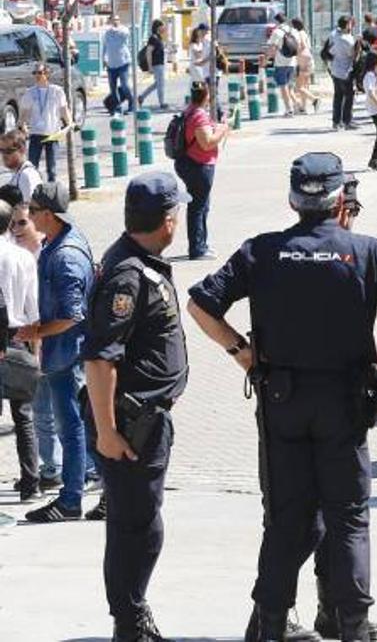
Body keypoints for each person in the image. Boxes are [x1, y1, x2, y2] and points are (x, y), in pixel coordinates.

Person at [187, 153, 377, 642]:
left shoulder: (262, 250)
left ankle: (271, 626)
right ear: (341, 198)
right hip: (345, 403)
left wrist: (242, 353)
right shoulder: (367, 251)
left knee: (285, 517)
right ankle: (353, 626)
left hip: (282, 402)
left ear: (292, 199)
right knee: (347, 518)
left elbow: (199, 304)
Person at [81, 172, 190, 642]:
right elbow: (100, 359)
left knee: (138, 521)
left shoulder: (138, 261)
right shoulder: (128, 274)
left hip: (141, 418)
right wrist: (107, 430)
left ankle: (131, 611)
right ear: (168, 222)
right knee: (136, 526)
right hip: (129, 424)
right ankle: (130, 619)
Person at [19, 182, 95, 523]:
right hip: (66, 354)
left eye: (33, 212)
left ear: (48, 214)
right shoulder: (62, 241)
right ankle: (103, 491)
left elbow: (71, 315)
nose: (29, 217)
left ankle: (70, 500)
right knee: (80, 425)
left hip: (67, 355)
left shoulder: (65, 256)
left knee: (72, 428)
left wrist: (36, 332)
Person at [0, 199, 40, 500]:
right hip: (21, 335)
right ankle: (31, 482)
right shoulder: (23, 257)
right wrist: (35, 346)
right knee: (24, 416)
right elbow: (33, 307)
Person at [173, 82, 229, 261]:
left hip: (191, 163)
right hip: (199, 165)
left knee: (201, 205)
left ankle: (201, 244)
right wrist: (222, 130)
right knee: (198, 207)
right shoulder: (199, 116)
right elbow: (207, 143)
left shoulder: (190, 110)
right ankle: (197, 248)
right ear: (207, 97)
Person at [19, 62, 71, 182]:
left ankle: (51, 194)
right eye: (35, 73)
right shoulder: (30, 92)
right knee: (32, 167)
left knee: (51, 169)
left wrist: (69, 123)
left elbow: (63, 109)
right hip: (36, 134)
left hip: (52, 134)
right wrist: (22, 125)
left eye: (40, 73)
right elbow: (24, 112)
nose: (37, 75)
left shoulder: (57, 91)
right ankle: (34, 192)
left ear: (47, 74)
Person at [326, 16, 358, 131]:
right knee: (349, 97)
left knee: (338, 96)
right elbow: (352, 55)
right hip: (345, 70)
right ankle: (346, 121)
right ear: (347, 25)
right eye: (350, 24)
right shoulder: (347, 40)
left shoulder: (333, 34)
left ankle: (336, 122)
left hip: (334, 69)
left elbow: (330, 50)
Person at [102, 15, 134, 114]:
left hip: (123, 62)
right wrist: (103, 58)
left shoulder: (123, 30)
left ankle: (132, 103)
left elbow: (126, 35)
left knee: (125, 85)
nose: (115, 22)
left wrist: (116, 29)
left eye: (116, 20)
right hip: (111, 64)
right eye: (113, 20)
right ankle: (117, 106)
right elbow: (105, 46)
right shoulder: (107, 33)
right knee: (112, 87)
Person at [0, 129, 43, 200]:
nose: (4, 155)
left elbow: (31, 208)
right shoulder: (18, 171)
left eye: (8, 151)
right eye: (1, 150)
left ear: (22, 150)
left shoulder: (27, 175)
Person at [137, 20, 168, 110]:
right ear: (158, 27)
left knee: (157, 84)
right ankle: (162, 103)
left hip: (160, 64)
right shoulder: (153, 38)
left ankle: (141, 97)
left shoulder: (158, 38)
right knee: (161, 84)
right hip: (156, 64)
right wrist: (150, 67)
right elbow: (148, 52)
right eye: (162, 26)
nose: (164, 28)